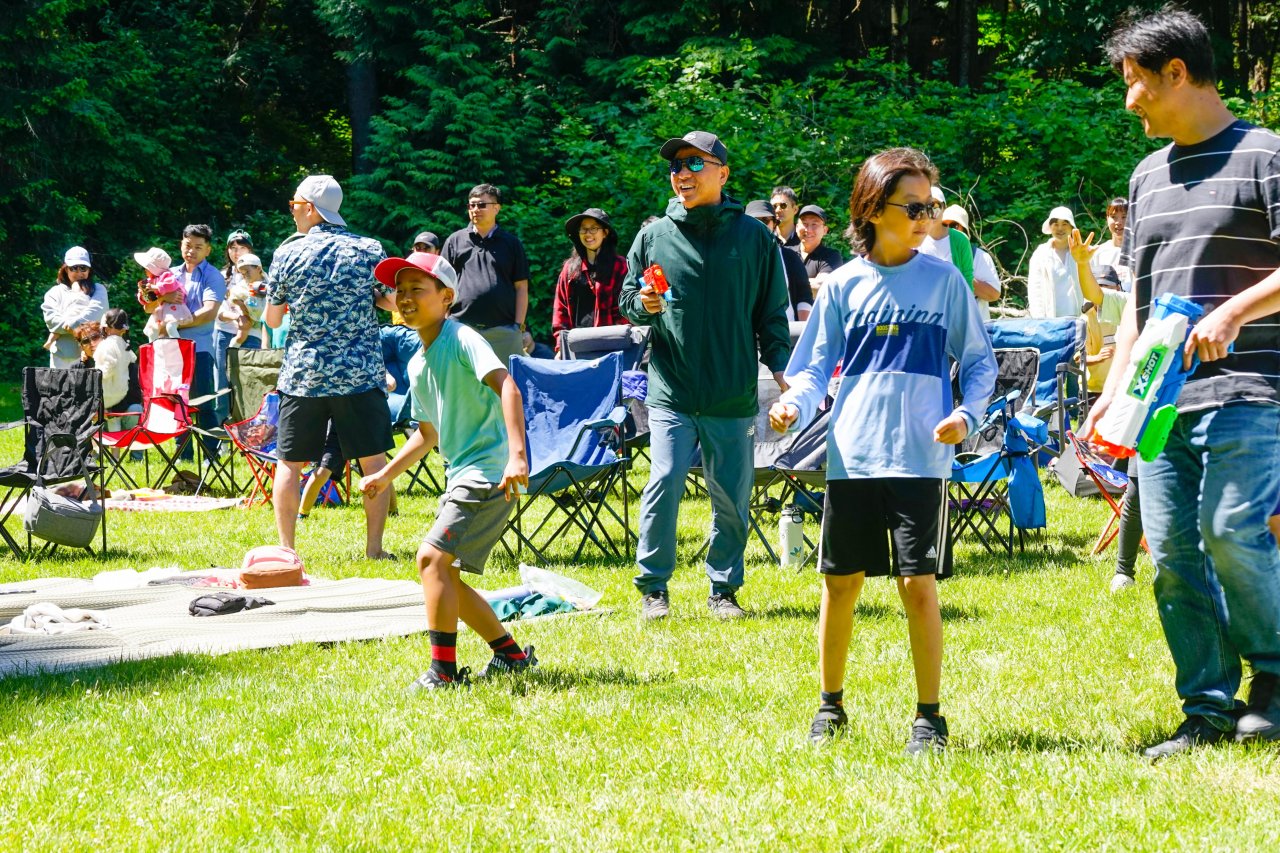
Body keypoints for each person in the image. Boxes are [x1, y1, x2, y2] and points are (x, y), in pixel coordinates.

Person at [1085, 8, 1280, 758]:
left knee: (1230, 530)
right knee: (1169, 554)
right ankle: (1206, 708)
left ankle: (1274, 675)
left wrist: (1233, 311)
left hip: (1252, 388)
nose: (1127, 99)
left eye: (1133, 81)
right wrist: (1113, 394)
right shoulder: (1147, 177)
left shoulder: (1266, 155)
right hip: (1161, 402)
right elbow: (1142, 301)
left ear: (1177, 72)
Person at [770, 146, 996, 755]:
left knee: (918, 584)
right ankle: (830, 707)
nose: (926, 218)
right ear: (873, 209)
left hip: (923, 460)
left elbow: (980, 364)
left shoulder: (946, 281)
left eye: (930, 207)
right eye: (913, 207)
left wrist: (966, 415)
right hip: (854, 457)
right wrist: (794, 405)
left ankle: (929, 718)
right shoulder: (843, 284)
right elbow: (813, 368)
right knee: (840, 584)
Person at [618, 130, 791, 620]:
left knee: (731, 496)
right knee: (664, 481)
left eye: (695, 164)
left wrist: (781, 370)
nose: (682, 174)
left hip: (731, 391)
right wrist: (643, 305)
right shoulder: (654, 236)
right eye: (676, 166)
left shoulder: (755, 238)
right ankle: (654, 588)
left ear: (723, 174)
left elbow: (771, 313)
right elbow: (629, 299)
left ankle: (723, 589)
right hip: (671, 389)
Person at [358, 251, 534, 690]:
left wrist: (517, 456)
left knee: (430, 559)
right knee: (445, 574)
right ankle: (510, 655)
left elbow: (508, 386)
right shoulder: (417, 363)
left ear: (446, 297)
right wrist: (386, 475)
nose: (405, 298)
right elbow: (427, 434)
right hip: (462, 474)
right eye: (400, 291)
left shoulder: (462, 338)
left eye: (417, 289)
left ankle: (443, 673)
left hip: (488, 472)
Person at [266, 174, 398, 561]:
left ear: (310, 208)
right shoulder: (369, 249)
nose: (292, 211)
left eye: (294, 204)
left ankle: (286, 550)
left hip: (304, 375)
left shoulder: (287, 254)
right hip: (360, 373)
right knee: (373, 462)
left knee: (289, 464)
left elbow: (273, 320)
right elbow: (392, 303)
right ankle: (374, 549)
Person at [137, 225, 225, 456]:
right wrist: (163, 297)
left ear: (208, 249)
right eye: (188, 245)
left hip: (200, 349)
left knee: (204, 403)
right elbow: (148, 306)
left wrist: (174, 324)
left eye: (198, 247)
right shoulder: (170, 273)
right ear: (181, 245)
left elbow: (209, 312)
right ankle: (183, 454)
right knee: (177, 402)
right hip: (172, 349)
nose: (191, 251)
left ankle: (211, 454)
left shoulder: (213, 276)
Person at [441, 183, 532, 364]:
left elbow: (521, 287)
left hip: (504, 333)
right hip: (460, 329)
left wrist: (518, 326)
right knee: (462, 380)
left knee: (507, 380)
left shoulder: (512, 244)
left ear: (496, 208)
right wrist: (444, 323)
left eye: (482, 205)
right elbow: (443, 285)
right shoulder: (455, 241)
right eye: (471, 205)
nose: (475, 209)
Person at [551, 207, 629, 353]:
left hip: (612, 346)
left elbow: (626, 310)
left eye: (594, 228)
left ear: (605, 232)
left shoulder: (620, 266)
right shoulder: (570, 268)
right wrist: (561, 347)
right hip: (576, 345)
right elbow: (560, 310)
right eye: (583, 229)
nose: (588, 234)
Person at [1026, 206, 1103, 319]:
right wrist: (1039, 319)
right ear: (1050, 227)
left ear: (1072, 227)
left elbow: (1094, 284)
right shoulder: (1040, 254)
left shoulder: (1085, 252)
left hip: (1081, 319)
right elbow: (1035, 289)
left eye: (1064, 224)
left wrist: (1089, 316)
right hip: (1050, 321)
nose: (1060, 228)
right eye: (1055, 224)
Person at [41, 246, 108, 369]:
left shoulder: (98, 289)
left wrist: (68, 326)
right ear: (66, 269)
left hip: (91, 355)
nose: (79, 273)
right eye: (74, 268)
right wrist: (79, 325)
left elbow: (97, 314)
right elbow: (52, 320)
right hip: (60, 356)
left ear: (89, 270)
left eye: (83, 268)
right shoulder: (54, 292)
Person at [745, 199, 813, 320]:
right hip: (746, 328)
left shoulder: (790, 257)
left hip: (785, 327)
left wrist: (803, 327)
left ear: (774, 224)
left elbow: (804, 296)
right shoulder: (735, 258)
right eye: (754, 221)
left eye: (765, 221)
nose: (760, 226)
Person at [939, 204, 1002, 319]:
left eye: (953, 225)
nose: (949, 229)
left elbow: (994, 294)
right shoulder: (931, 252)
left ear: (964, 229)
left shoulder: (980, 256)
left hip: (975, 322)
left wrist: (962, 276)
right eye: (944, 225)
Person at [133, 248, 191, 341]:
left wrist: (156, 287)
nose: (145, 270)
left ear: (154, 268)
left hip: (173, 308)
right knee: (152, 331)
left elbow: (170, 285)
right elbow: (148, 303)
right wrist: (142, 294)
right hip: (160, 311)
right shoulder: (150, 281)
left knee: (170, 327)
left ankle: (177, 344)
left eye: (147, 268)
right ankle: (152, 348)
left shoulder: (167, 275)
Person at [794, 204, 844, 291]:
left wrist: (788, 282)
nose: (808, 230)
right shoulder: (787, 253)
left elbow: (821, 286)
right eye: (804, 224)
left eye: (814, 224)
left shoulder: (831, 256)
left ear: (825, 230)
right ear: (797, 227)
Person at [1089, 198, 1133, 291]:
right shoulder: (1097, 252)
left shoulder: (1137, 251)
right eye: (1114, 217)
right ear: (1107, 218)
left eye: (1124, 217)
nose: (1119, 222)